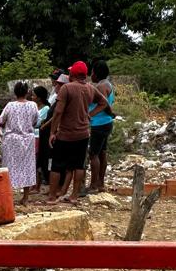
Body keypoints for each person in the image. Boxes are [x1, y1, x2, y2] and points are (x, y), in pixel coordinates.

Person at [48, 62, 107, 204]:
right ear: (85, 75)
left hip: (65, 134)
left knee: (57, 165)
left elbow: (58, 112)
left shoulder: (67, 88)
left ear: (72, 74)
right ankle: (74, 195)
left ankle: (51, 197)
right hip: (83, 134)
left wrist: (52, 132)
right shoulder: (90, 88)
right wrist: (90, 114)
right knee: (78, 165)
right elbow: (103, 103)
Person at [0, 81, 39, 205]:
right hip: (27, 139)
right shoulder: (33, 105)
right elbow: (36, 122)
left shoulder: (10, 105)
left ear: (15, 92)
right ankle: (25, 197)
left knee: (9, 167)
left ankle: (8, 197)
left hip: (11, 140)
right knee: (27, 167)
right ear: (27, 92)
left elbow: (1, 120)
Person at [86, 60, 116, 194]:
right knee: (102, 153)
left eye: (92, 72)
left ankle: (93, 185)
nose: (90, 74)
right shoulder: (107, 84)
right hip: (106, 122)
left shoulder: (101, 86)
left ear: (96, 74)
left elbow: (104, 104)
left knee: (94, 154)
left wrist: (89, 115)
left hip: (99, 123)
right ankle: (100, 183)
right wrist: (111, 114)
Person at [32, 85, 53, 195]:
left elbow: (37, 123)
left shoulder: (45, 109)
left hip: (40, 137)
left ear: (39, 98)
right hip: (34, 136)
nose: (32, 97)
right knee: (35, 161)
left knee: (40, 160)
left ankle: (38, 185)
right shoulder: (34, 107)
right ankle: (35, 185)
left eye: (34, 95)